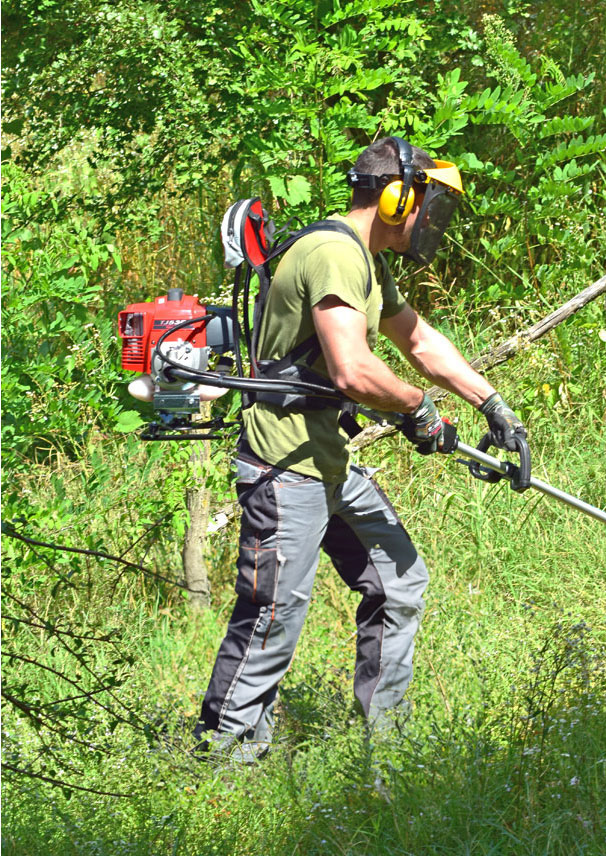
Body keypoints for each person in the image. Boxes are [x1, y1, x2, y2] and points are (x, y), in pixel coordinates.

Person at [194, 136, 526, 762]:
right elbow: (352, 369)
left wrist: (491, 404)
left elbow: (418, 342)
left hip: (327, 463)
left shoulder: (369, 262)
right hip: (285, 465)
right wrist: (414, 408)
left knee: (399, 578)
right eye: (427, 202)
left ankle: (384, 741)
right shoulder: (333, 255)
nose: (432, 220)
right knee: (273, 618)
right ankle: (220, 760)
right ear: (396, 197)